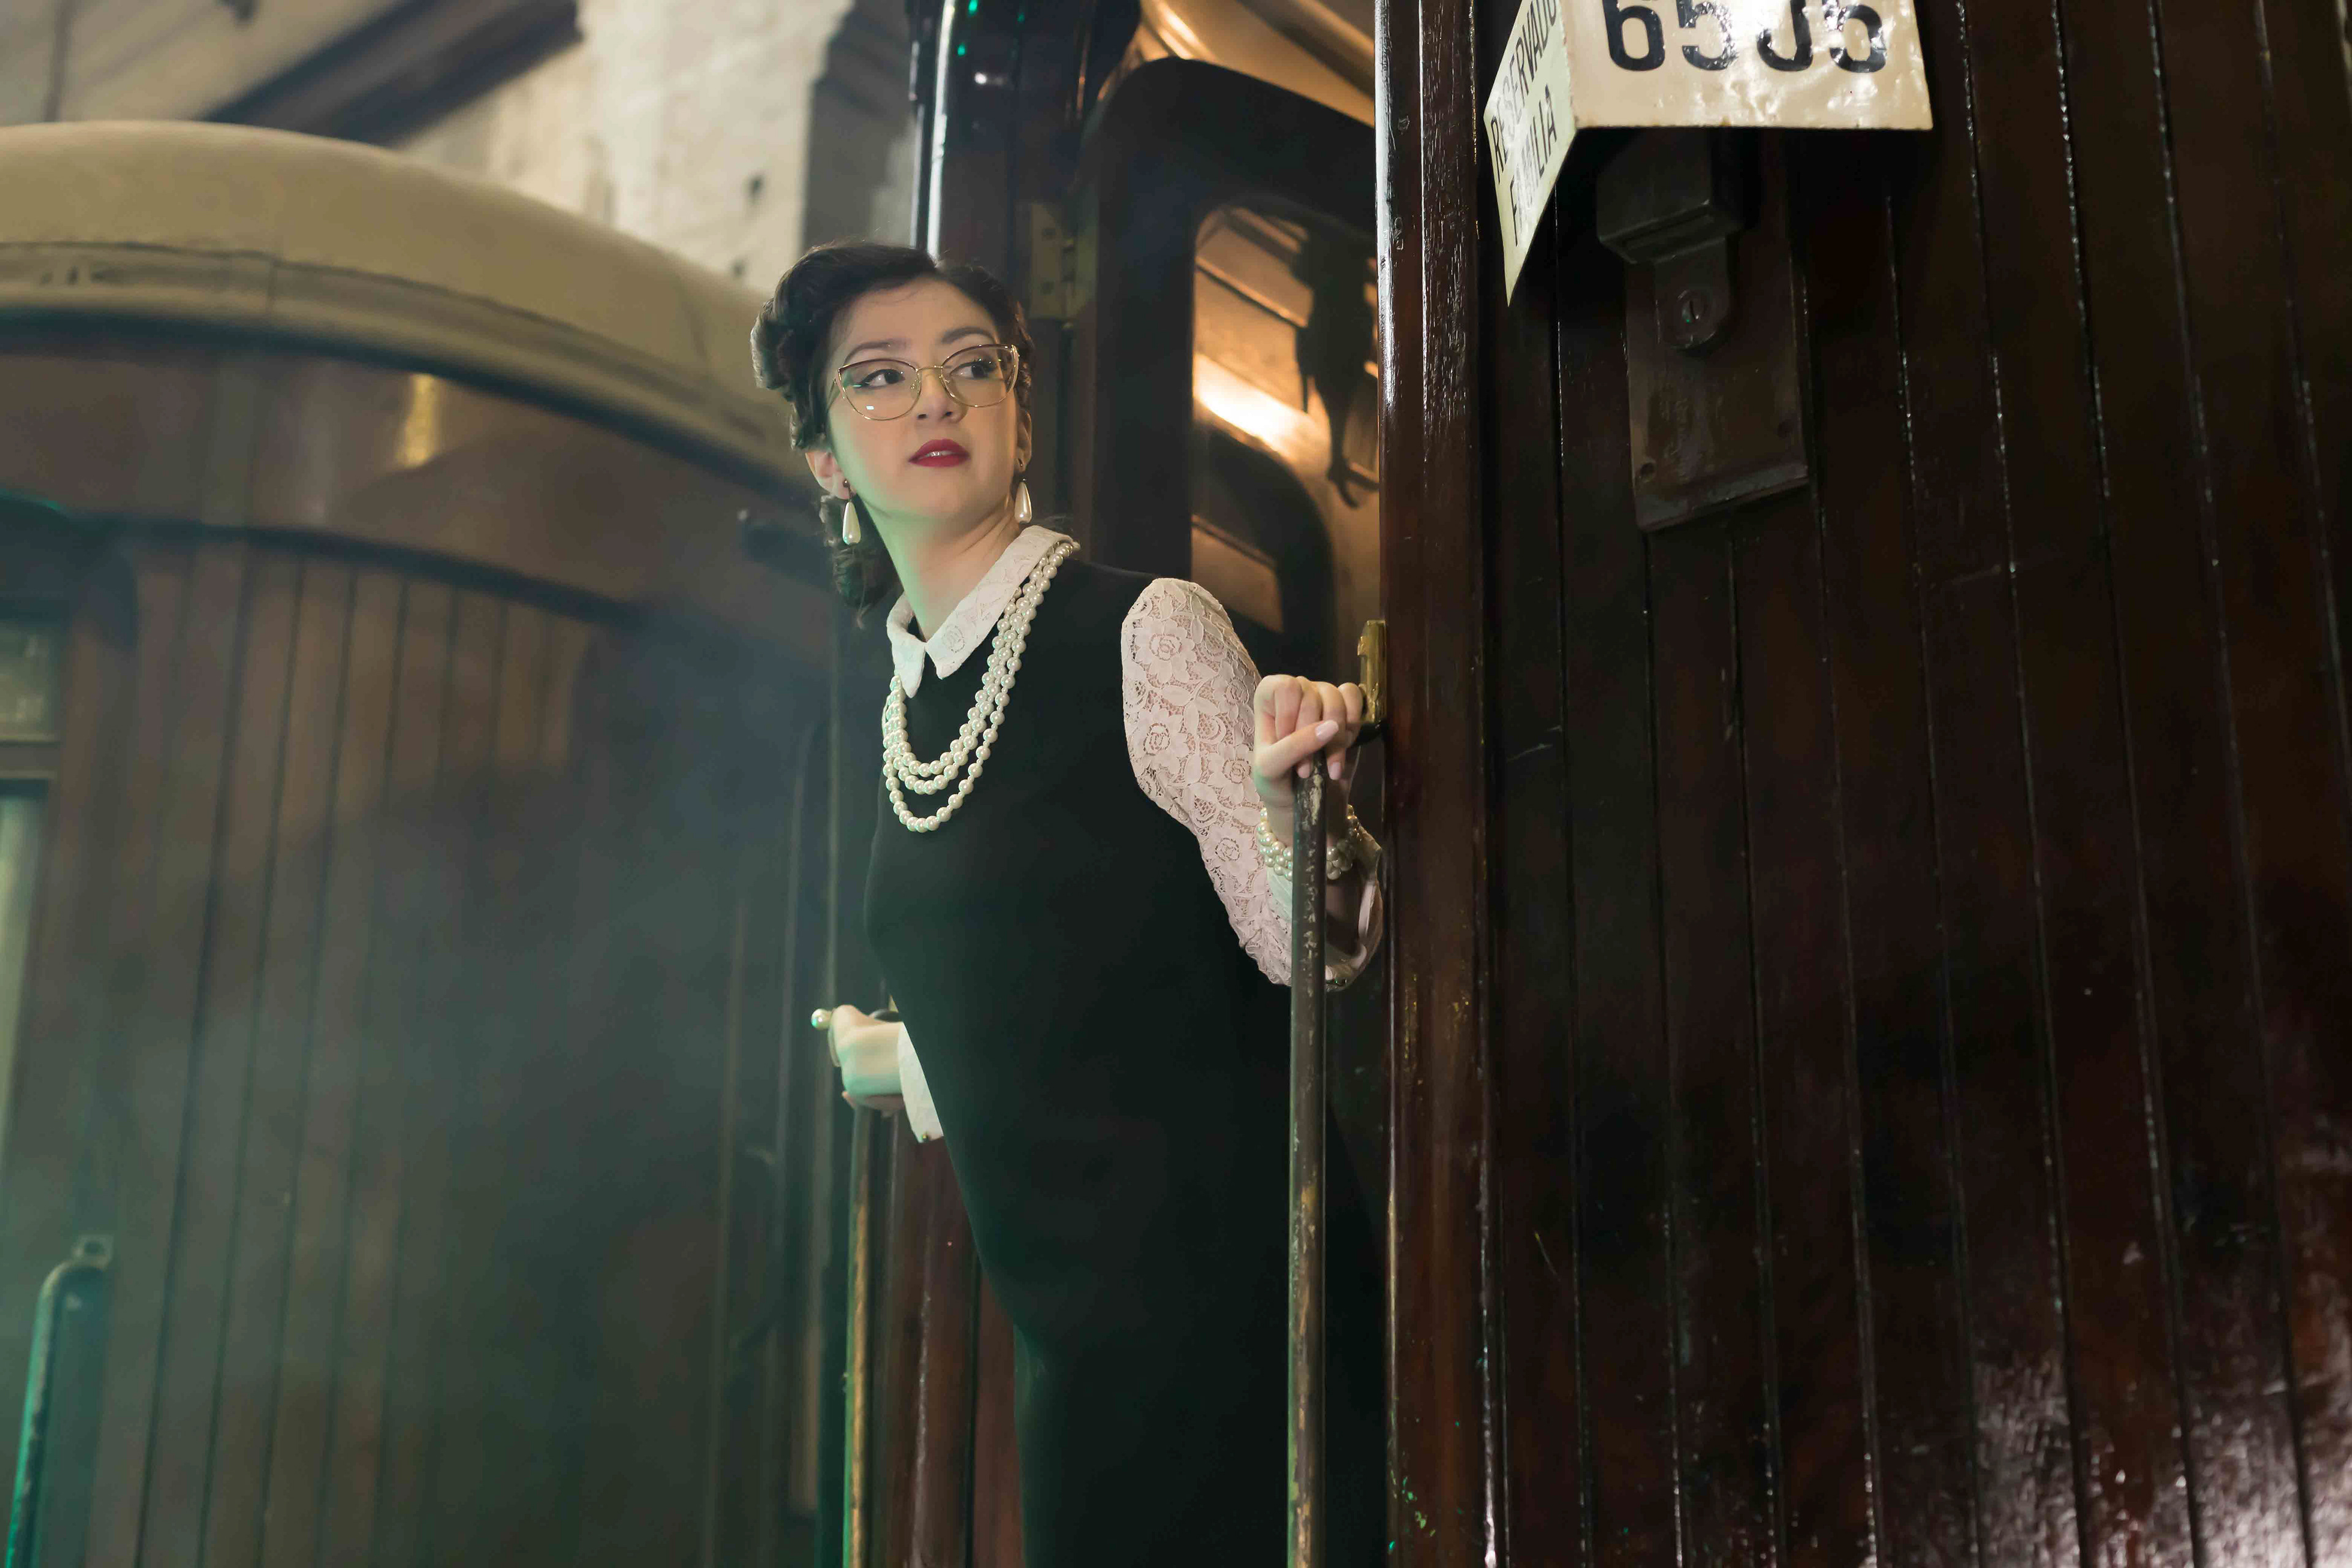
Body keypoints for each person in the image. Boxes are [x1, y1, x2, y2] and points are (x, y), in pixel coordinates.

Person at [753, 241, 1386, 1567]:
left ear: (1019, 416)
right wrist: (909, 1057)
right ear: (825, 459)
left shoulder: (1145, 630)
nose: (937, 397)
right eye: (881, 377)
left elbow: (1303, 955)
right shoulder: (907, 705)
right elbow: (1082, 965)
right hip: (1081, 1371)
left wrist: (1297, 807)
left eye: (970, 365)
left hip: (1237, 1340)